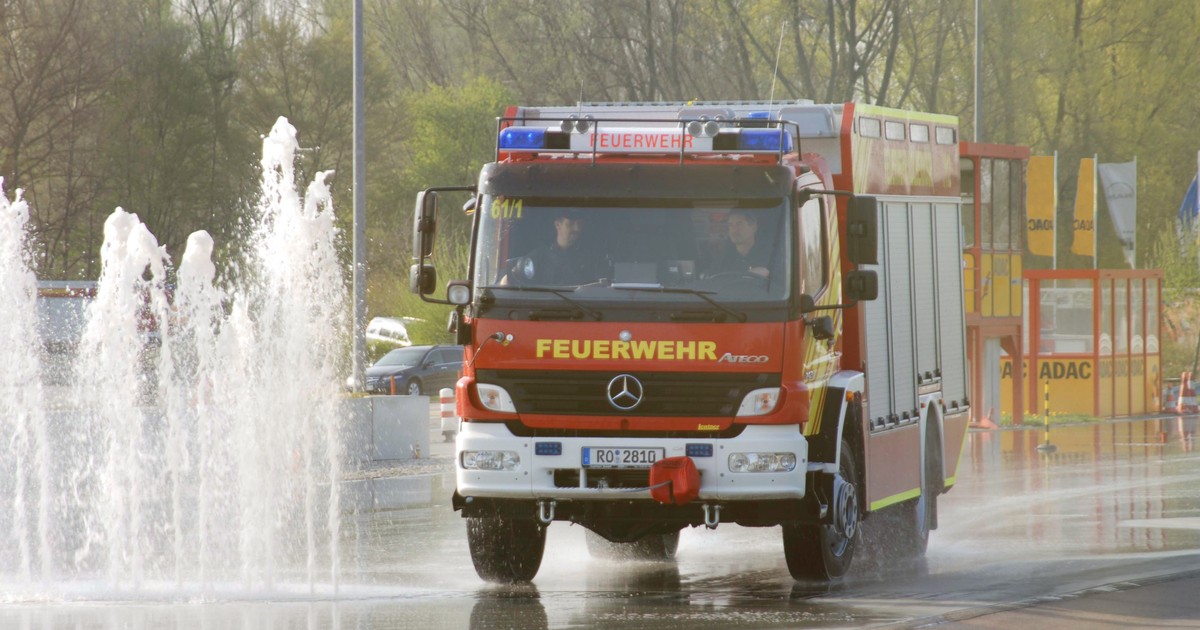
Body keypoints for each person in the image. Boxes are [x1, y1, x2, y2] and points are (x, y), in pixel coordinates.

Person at [505, 208, 607, 286]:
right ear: (558, 225)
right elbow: (507, 281)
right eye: (570, 224)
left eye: (579, 224)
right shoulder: (538, 257)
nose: (577, 228)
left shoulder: (592, 259)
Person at [706, 209, 774, 278]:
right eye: (730, 225)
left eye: (739, 224)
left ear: (754, 227)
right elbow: (712, 284)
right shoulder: (721, 261)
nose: (734, 230)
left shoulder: (770, 257)